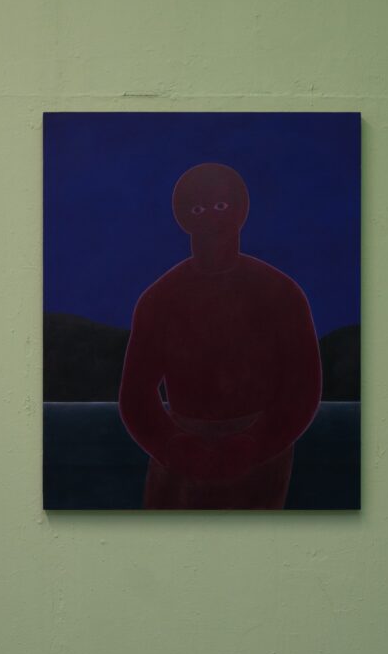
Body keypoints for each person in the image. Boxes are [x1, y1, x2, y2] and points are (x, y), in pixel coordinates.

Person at [119, 162, 321, 509]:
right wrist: (174, 445)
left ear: (241, 210)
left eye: (221, 206)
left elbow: (303, 388)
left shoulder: (281, 293)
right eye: (199, 209)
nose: (212, 218)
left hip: (261, 457)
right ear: (183, 216)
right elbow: (135, 396)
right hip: (184, 456)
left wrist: (254, 443)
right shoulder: (160, 298)